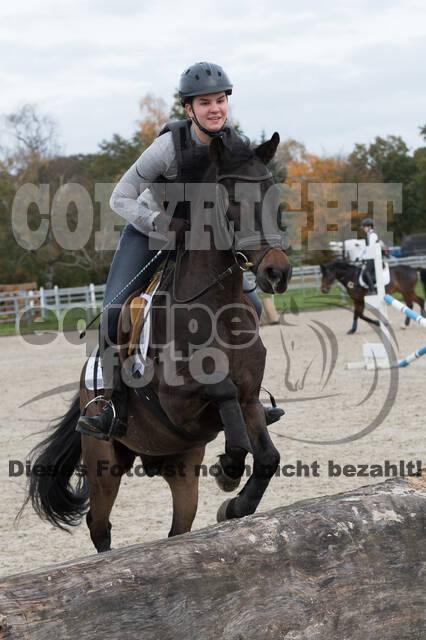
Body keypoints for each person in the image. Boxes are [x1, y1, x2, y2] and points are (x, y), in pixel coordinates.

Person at [77, 61, 284, 440]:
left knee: (250, 306)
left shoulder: (236, 146)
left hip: (201, 241)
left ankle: (249, 397)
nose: (215, 108)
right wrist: (164, 224)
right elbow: (118, 197)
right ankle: (111, 405)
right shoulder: (167, 149)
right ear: (189, 109)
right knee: (112, 315)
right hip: (151, 232)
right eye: (204, 102)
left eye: (220, 100)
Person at [358, 217, 379, 293]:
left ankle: (372, 290)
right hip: (370, 257)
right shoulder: (368, 235)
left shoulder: (373, 235)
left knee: (366, 271)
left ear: (370, 227)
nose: (363, 229)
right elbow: (364, 248)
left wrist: (364, 258)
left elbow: (370, 248)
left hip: (373, 257)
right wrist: (358, 256)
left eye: (364, 227)